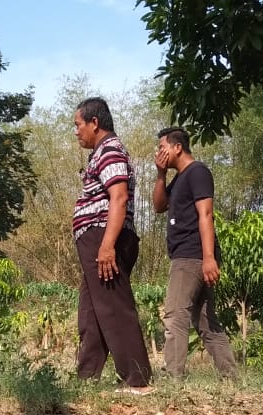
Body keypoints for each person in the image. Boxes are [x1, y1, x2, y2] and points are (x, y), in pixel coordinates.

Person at [72, 97, 153, 393]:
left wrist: (107, 246)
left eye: (78, 125)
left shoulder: (110, 150)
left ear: (95, 123)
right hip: (96, 238)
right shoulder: (101, 153)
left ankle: (138, 380)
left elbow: (118, 197)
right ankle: (86, 378)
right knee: (92, 311)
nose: (76, 132)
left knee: (114, 307)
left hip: (104, 237)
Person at [152, 127, 237, 379]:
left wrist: (209, 258)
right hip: (189, 256)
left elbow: (206, 215)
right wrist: (160, 174)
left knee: (175, 314)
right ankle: (230, 377)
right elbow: (158, 206)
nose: (159, 152)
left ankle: (173, 377)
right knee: (206, 322)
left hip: (192, 256)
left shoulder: (197, 172)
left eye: (162, 147)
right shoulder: (179, 178)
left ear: (178, 147)